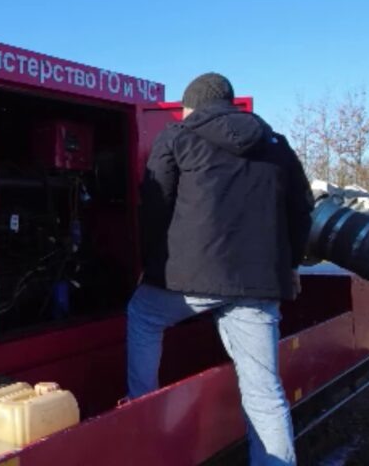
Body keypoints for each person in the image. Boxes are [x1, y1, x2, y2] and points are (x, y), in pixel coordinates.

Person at [127, 72, 313, 466]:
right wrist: (291, 263)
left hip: (186, 280)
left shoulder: (176, 137)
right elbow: (301, 209)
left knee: (142, 315)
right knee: (264, 391)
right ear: (230, 104)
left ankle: (142, 412)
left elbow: (154, 204)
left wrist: (148, 263)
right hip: (257, 284)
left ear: (190, 107)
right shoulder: (276, 145)